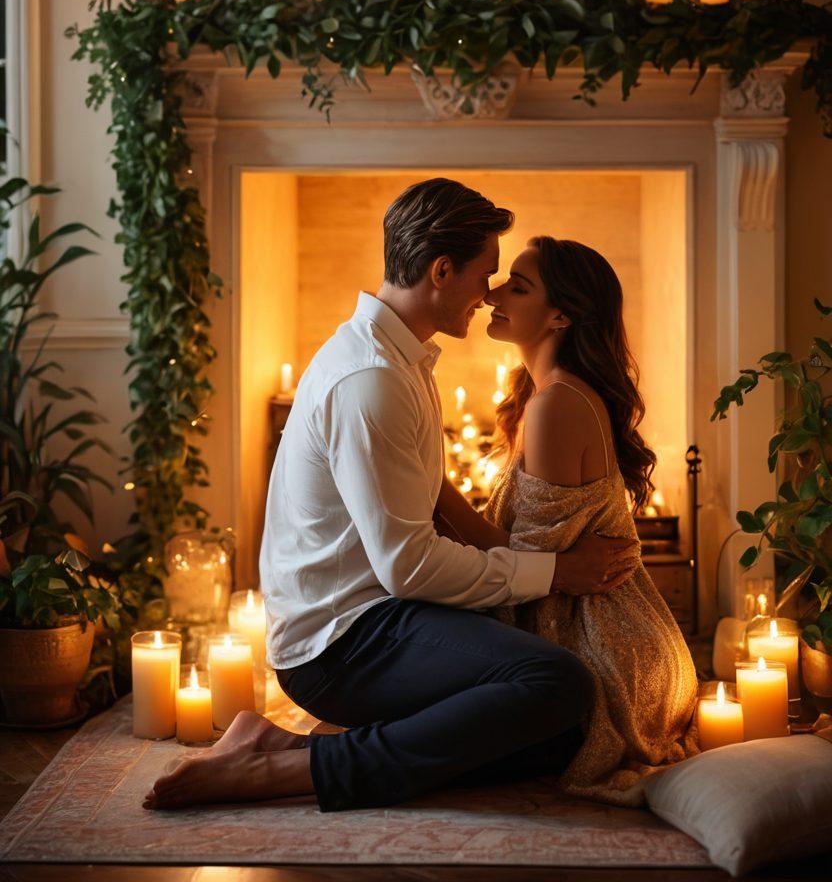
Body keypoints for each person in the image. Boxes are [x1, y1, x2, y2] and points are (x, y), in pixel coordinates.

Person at [144, 179, 638, 813]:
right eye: (485, 273)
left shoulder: (400, 360)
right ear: (440, 270)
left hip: (381, 612)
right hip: (341, 642)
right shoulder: (372, 379)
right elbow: (409, 567)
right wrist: (557, 571)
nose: (488, 293)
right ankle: (288, 772)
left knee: (563, 733)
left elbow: (427, 504)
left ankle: (275, 745)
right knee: (556, 683)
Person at [437, 236, 698, 804]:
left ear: (561, 315)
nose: (492, 294)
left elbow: (523, 562)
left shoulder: (557, 404)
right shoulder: (546, 394)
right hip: (606, 633)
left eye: (518, 287)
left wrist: (427, 482)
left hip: (609, 652)